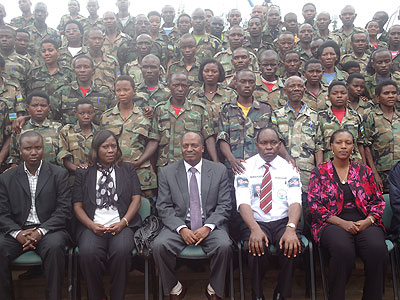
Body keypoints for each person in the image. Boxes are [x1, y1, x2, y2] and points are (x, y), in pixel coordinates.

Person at [308, 129, 388, 300]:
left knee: (378, 249)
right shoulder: (320, 172)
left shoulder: (364, 171)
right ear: (331, 146)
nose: (343, 146)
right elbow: (315, 205)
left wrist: (369, 221)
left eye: (348, 143)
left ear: (353, 147)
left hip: (364, 222)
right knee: (342, 250)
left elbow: (378, 202)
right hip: (331, 223)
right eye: (339, 142)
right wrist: (341, 223)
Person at [152, 131, 232, 300]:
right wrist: (181, 229)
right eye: (185, 146)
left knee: (224, 245)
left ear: (203, 148)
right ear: (180, 149)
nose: (189, 149)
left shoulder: (219, 170)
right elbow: (164, 206)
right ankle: (174, 286)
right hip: (180, 224)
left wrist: (208, 227)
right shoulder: (168, 172)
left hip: (210, 224)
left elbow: (224, 205)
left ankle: (214, 287)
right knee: (159, 245)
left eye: (194, 145)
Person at [0, 131, 71, 300]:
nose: (33, 152)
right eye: (28, 148)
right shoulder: (6, 178)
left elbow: (64, 210)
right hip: (18, 231)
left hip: (49, 229)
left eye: (38, 148)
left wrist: (40, 232)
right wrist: (17, 234)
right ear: (20, 149)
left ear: (43, 149)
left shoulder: (59, 174)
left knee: (55, 247)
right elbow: (2, 213)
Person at [73, 129, 142, 300]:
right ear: (96, 149)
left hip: (122, 225)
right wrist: (91, 225)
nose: (111, 150)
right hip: (92, 226)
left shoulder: (127, 169)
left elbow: (136, 199)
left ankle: (117, 296)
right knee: (88, 253)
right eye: (105, 147)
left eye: (113, 146)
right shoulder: (83, 172)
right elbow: (77, 206)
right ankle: (97, 296)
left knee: (122, 252)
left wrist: (123, 222)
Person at [236, 127, 302, 300]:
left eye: (273, 143)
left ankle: (282, 293)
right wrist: (254, 228)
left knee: (292, 247)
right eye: (264, 143)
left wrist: (291, 228)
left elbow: (296, 201)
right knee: (256, 248)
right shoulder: (244, 168)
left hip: (283, 221)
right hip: (255, 221)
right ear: (257, 145)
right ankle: (257, 295)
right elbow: (243, 203)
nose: (269, 147)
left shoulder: (289, 168)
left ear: (279, 145)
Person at [100, 75, 157, 199]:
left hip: (141, 172)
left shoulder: (145, 115)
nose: (122, 93)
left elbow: (153, 141)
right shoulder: (106, 117)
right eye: (118, 90)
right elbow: (100, 144)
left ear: (134, 90)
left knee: (146, 210)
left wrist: (139, 161)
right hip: (113, 172)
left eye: (126, 90)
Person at [8, 91, 61, 166]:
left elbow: (63, 155)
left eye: (43, 105)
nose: (39, 109)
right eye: (35, 105)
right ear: (27, 108)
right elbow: (13, 157)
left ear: (49, 108)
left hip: (53, 174)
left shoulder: (58, 128)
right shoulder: (19, 128)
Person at [365, 80, 400, 193]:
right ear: (378, 97)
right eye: (386, 93)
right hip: (381, 172)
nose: (391, 96)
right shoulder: (371, 117)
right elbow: (365, 146)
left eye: (394, 93)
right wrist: (374, 173)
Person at [317, 81, 365, 164]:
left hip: (353, 164)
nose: (339, 96)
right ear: (328, 96)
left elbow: (360, 143)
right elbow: (319, 146)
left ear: (348, 95)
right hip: (330, 164)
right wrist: (320, 169)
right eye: (335, 93)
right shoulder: (320, 117)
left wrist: (364, 166)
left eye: (343, 93)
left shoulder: (356, 116)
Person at [188, 58, 236, 132]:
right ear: (201, 73)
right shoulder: (193, 94)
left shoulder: (230, 94)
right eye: (206, 71)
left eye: (214, 71)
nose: (210, 74)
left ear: (220, 73)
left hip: (225, 137)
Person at [27, 39, 73, 110]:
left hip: (62, 115)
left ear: (58, 52)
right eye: (43, 51)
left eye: (50, 50)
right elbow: (27, 94)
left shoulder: (68, 72)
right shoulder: (34, 73)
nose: (47, 53)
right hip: (39, 115)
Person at [58, 98, 97, 172]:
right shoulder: (67, 131)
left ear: (94, 113)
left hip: (95, 175)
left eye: (89, 113)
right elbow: (62, 154)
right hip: (73, 177)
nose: (86, 116)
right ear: (75, 113)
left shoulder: (100, 132)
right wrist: (78, 169)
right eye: (82, 113)